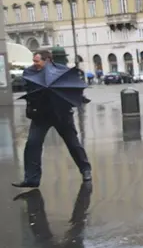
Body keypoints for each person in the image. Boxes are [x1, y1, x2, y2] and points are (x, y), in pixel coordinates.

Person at [12, 50, 92, 188]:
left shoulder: (62, 71)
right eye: (34, 61)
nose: (34, 64)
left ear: (47, 60)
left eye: (37, 61)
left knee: (73, 144)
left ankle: (85, 170)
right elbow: (29, 92)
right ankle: (32, 179)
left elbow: (72, 87)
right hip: (41, 115)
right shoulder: (30, 73)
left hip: (61, 114)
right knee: (32, 144)